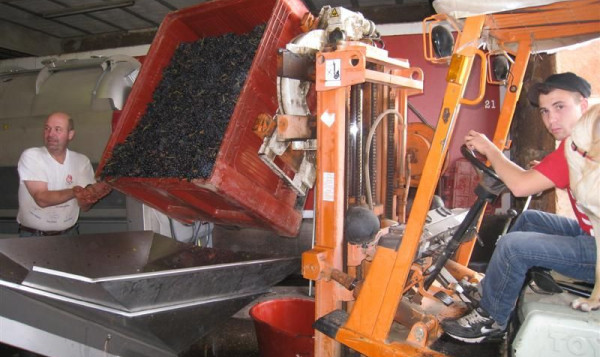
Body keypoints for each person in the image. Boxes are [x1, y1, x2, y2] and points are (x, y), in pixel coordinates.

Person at [441, 72, 596, 343]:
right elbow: (537, 180)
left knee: (513, 247)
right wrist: (535, 174)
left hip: (594, 250)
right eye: (546, 112)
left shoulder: (574, 148)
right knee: (531, 219)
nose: (551, 120)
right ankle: (491, 291)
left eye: (560, 107)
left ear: (583, 105)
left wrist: (491, 150)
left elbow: (521, 187)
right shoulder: (575, 146)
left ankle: (491, 320)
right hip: (590, 233)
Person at [17, 112, 111, 237]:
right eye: (47, 128)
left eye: (58, 129)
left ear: (70, 134)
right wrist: (76, 191)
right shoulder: (32, 156)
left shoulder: (82, 161)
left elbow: (84, 207)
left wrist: (92, 195)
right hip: (33, 237)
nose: (50, 134)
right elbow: (41, 199)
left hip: (69, 235)